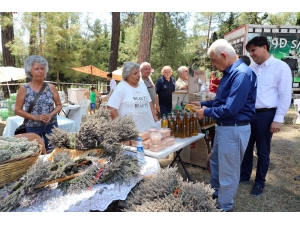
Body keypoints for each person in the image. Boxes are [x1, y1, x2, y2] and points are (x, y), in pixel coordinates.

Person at [192, 39, 257, 212]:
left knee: (228, 172)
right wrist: (203, 104)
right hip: (226, 128)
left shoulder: (241, 74)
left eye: (214, 60)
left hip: (234, 128)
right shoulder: (230, 73)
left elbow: (231, 108)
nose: (213, 65)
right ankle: (215, 194)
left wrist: (205, 112)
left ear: (223, 55)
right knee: (216, 162)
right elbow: (221, 101)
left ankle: (224, 208)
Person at [240, 36, 292, 197]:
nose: (252, 54)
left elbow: (284, 95)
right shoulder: (252, 68)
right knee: (247, 148)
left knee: (262, 151)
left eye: (253, 50)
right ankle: (244, 176)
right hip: (249, 114)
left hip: (267, 115)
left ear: (264, 47)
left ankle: (260, 182)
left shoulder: (281, 67)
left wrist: (278, 119)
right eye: (250, 52)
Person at [14, 55, 62, 153]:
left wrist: (50, 114)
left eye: (42, 68)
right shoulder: (24, 88)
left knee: (54, 152)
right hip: (32, 127)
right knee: (35, 153)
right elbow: (17, 110)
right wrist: (36, 117)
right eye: (36, 69)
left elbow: (59, 105)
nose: (40, 71)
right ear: (30, 71)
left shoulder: (51, 87)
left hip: (51, 126)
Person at [107, 62, 158, 132]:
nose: (138, 75)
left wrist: (155, 117)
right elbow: (111, 107)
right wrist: (121, 126)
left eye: (138, 72)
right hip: (132, 132)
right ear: (127, 75)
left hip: (149, 128)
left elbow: (149, 102)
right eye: (135, 73)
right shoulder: (121, 87)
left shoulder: (142, 84)